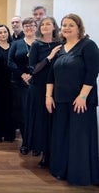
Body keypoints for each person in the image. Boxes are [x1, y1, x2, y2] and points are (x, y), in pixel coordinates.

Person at [45, 13, 99, 186]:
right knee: (61, 136)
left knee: (78, 138)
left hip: (80, 101)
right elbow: (51, 75)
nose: (66, 28)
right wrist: (48, 96)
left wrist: (83, 96)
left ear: (79, 28)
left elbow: (92, 73)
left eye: (71, 25)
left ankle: (79, 175)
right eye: (64, 25)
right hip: (60, 100)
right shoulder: (60, 48)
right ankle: (62, 170)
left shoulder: (88, 45)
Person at [25, 16, 61, 167]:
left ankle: (54, 153)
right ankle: (44, 154)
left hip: (57, 87)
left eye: (48, 24)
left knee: (54, 121)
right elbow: (33, 69)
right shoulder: (36, 45)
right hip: (39, 88)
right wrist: (49, 57)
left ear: (54, 27)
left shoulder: (61, 43)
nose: (45, 26)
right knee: (41, 121)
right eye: (43, 24)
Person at [8, 17, 37, 149]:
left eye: (31, 26)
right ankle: (26, 143)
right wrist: (22, 74)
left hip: (37, 83)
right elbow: (10, 62)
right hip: (19, 83)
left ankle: (37, 143)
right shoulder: (16, 44)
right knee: (24, 113)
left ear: (36, 28)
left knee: (36, 113)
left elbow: (45, 62)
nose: (29, 28)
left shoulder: (41, 43)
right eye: (26, 26)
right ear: (23, 28)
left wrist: (32, 75)